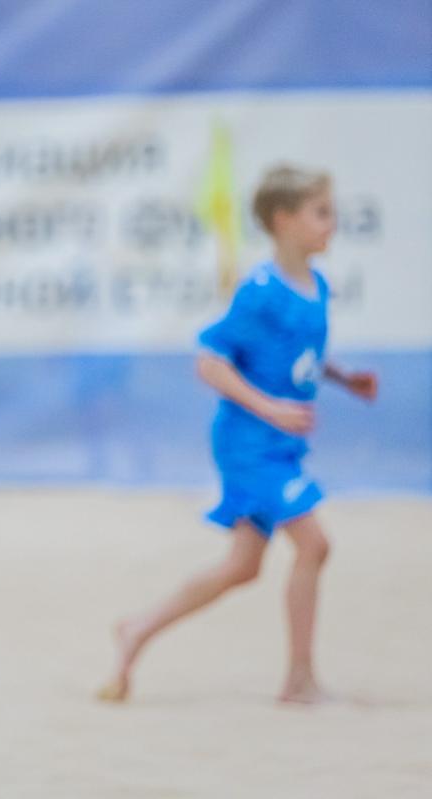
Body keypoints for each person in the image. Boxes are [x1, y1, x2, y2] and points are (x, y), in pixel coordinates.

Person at [100, 164, 378, 704]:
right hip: (249, 447)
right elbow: (210, 361)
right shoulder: (260, 292)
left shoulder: (317, 286)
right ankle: (299, 681)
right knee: (315, 545)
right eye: (321, 212)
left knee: (242, 567)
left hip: (280, 446)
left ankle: (137, 629)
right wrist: (270, 409)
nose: (333, 223)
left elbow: (295, 356)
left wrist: (344, 378)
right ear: (284, 220)